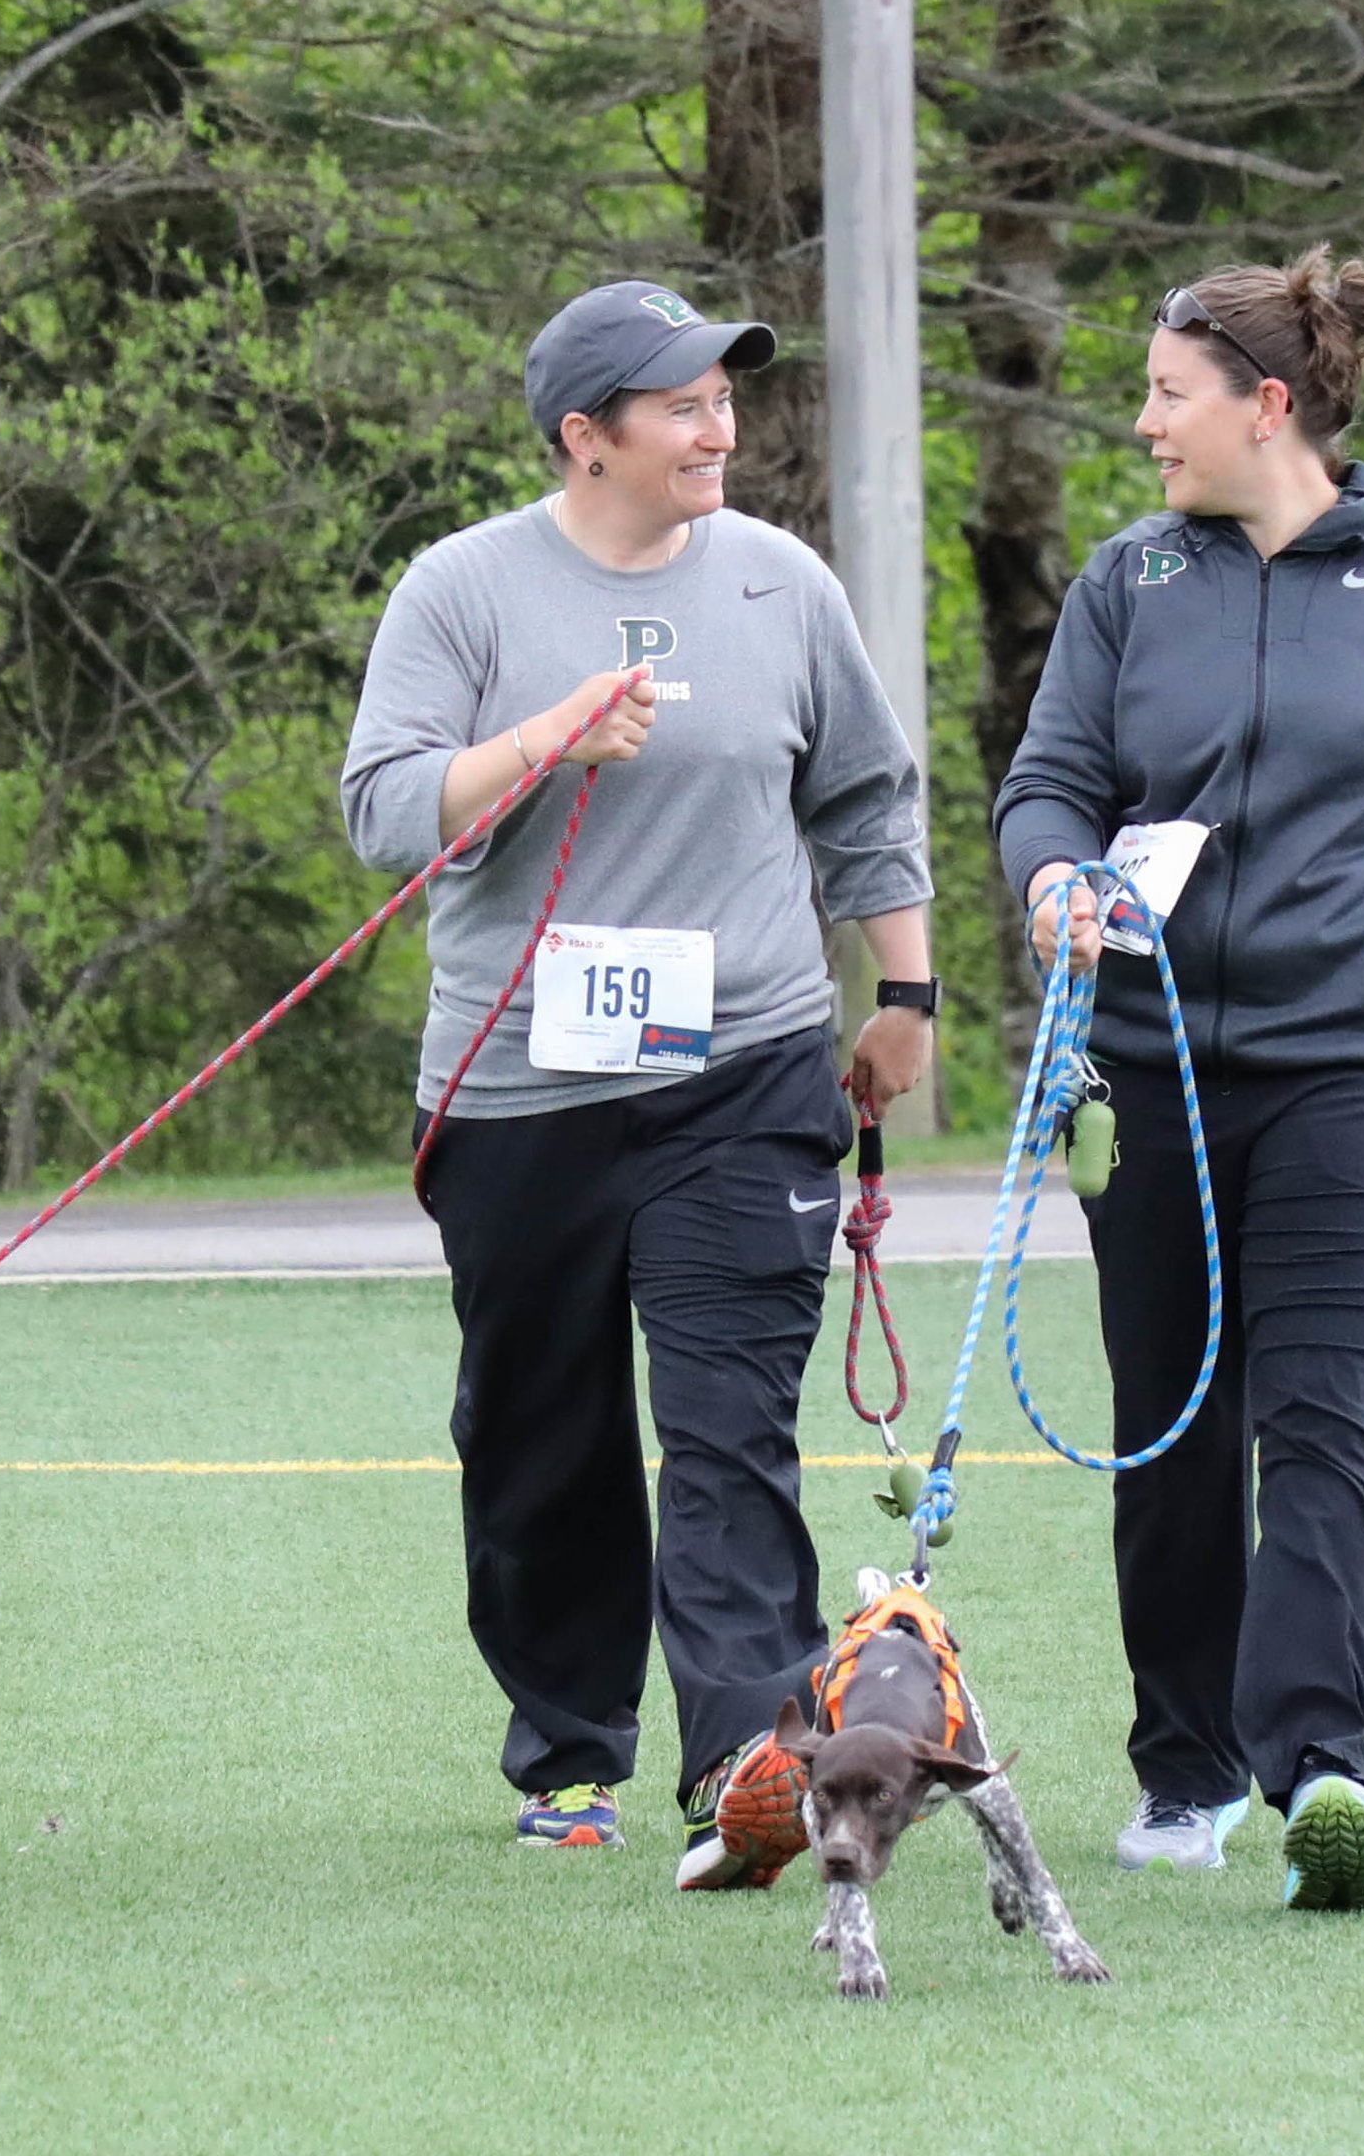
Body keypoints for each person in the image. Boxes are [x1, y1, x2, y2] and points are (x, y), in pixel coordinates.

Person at [342, 278, 938, 1880]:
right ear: (583, 436)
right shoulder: (461, 591)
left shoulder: (779, 584)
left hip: (743, 1068)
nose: (718, 429)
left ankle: (747, 1754)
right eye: (681, 406)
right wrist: (545, 738)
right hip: (520, 1087)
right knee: (543, 1432)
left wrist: (908, 986)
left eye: (724, 401)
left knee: (731, 1421)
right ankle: (569, 1749)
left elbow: (869, 797)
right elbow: (389, 813)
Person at [990, 249, 1364, 1911]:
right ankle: (1187, 1767)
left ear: (1267, 404)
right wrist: (1048, 885)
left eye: (1169, 392)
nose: (1144, 421)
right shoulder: (1127, 582)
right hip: (1144, 1070)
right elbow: (1051, 783)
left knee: (1319, 1413)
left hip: (1355, 1064)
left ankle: (1326, 1774)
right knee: (1174, 1433)